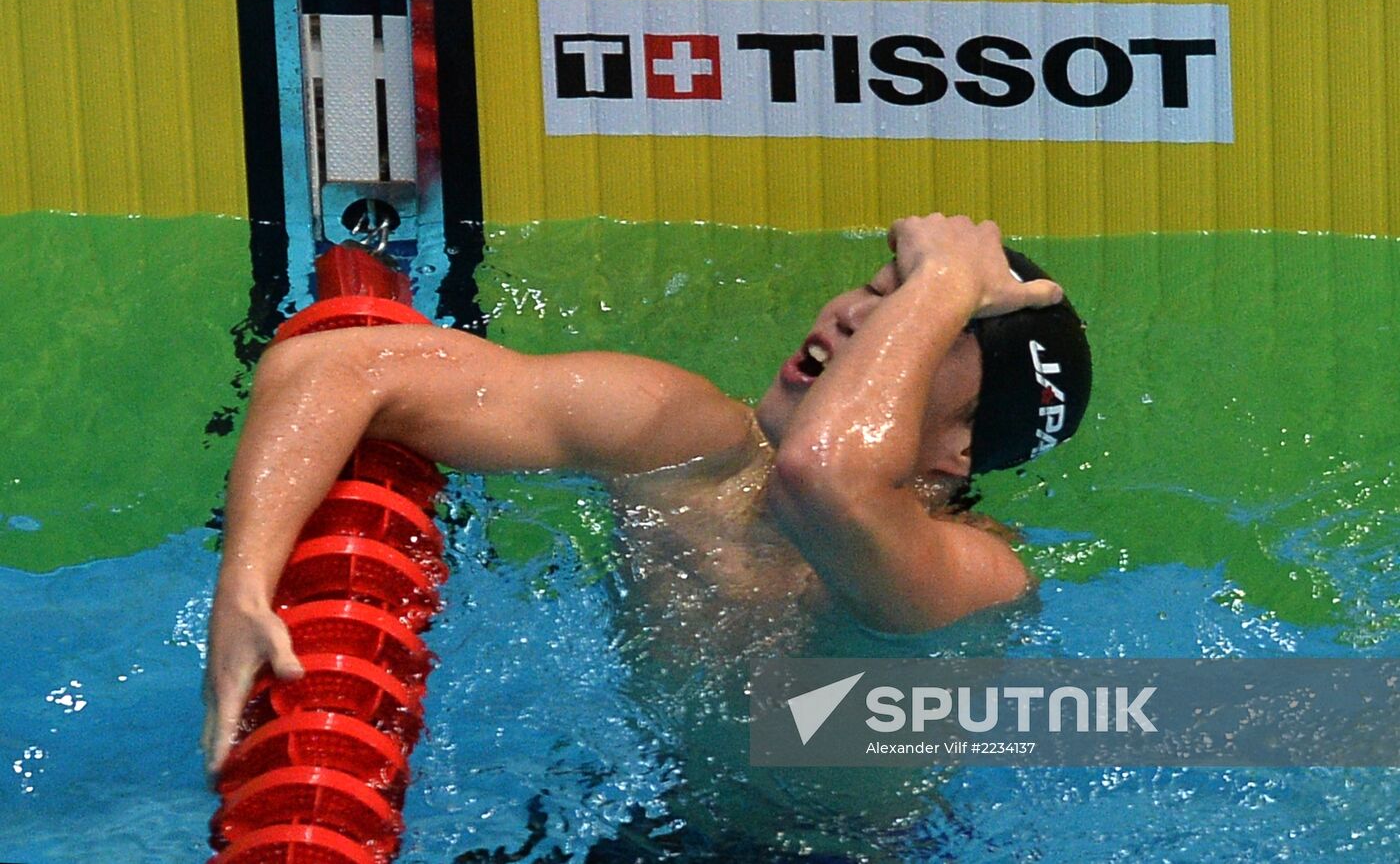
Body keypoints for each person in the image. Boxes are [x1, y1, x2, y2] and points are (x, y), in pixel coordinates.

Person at [201, 212, 1092, 778]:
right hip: (639, 815)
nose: (854, 317)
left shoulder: (973, 575)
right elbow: (342, 365)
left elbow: (830, 479)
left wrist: (944, 278)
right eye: (874, 288)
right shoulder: (691, 444)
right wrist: (243, 584)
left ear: (960, 448)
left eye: (909, 330)